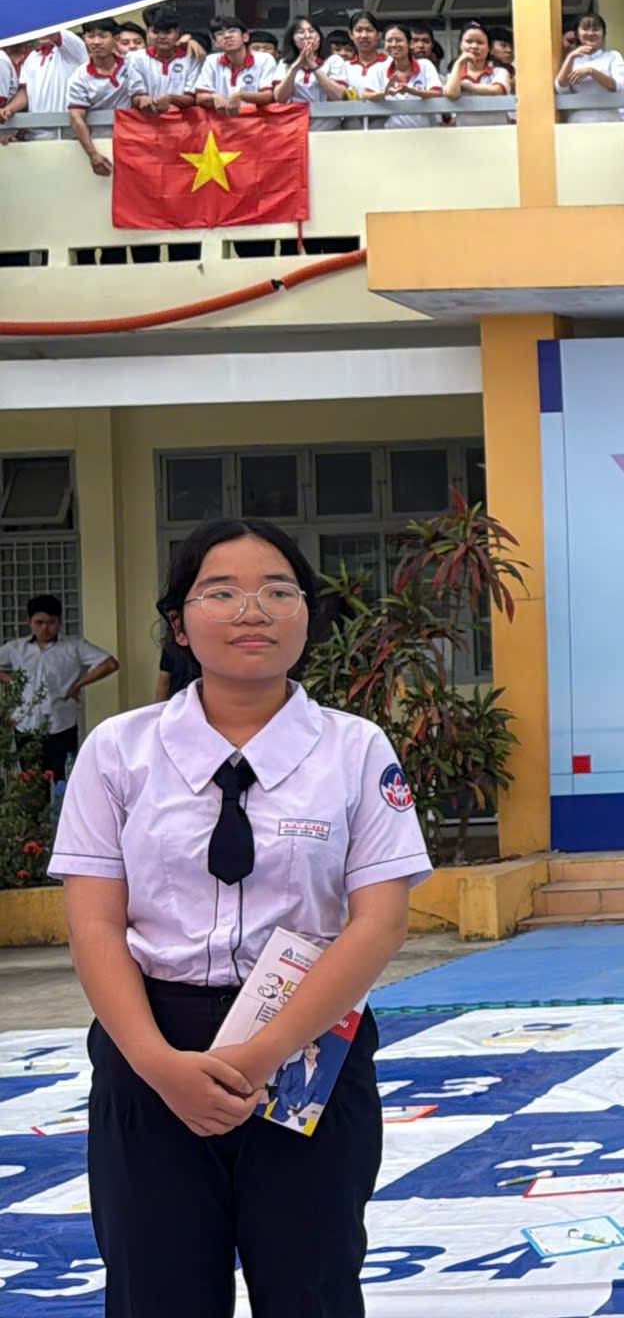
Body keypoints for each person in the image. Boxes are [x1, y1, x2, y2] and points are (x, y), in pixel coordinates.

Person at [48, 515, 428, 1316]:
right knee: (157, 1291)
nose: (252, 611)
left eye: (278, 591)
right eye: (221, 592)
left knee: (311, 1288)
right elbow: (94, 925)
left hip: (308, 1044)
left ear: (307, 617)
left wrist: (261, 1055)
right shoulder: (117, 751)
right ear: (179, 623)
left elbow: (379, 923)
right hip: (150, 1043)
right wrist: (157, 1064)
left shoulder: (357, 750)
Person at [0, 595, 117, 782]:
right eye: (39, 623)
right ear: (29, 622)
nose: (45, 628)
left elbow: (110, 664)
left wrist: (78, 684)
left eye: (51, 622)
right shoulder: (16, 648)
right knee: (32, 783)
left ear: (59, 622)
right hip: (26, 725)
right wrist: (11, 682)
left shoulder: (74, 646)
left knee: (65, 780)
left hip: (62, 725)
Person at [63, 18, 142, 178]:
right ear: (84, 39)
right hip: (101, 143)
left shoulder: (134, 65)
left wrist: (191, 41)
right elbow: (76, 117)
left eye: (103, 36)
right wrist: (93, 155)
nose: (96, 42)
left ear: (116, 39)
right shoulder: (79, 77)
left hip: (135, 142)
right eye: (91, 36)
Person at [186, 18, 283, 113]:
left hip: (257, 120)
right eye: (220, 34)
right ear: (216, 43)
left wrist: (240, 96)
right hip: (222, 120)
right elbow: (200, 98)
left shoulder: (265, 59)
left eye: (232, 31)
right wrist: (214, 97)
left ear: (245, 37)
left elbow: (268, 96)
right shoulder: (211, 60)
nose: (227, 36)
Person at [555, 11, 624, 123]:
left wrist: (591, 72)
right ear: (577, 34)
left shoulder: (613, 56)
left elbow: (620, 87)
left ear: (603, 33)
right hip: (578, 122)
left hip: (609, 121)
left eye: (596, 29)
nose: (590, 33)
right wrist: (570, 57)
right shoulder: (572, 59)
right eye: (585, 29)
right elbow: (561, 88)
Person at [363, 25, 440, 130]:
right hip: (392, 133)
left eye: (398, 40)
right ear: (385, 45)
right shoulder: (377, 69)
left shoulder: (425, 65)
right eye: (389, 41)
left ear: (409, 44)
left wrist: (411, 91)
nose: (394, 44)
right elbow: (367, 95)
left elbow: (437, 93)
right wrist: (384, 93)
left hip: (426, 131)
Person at [128, 6, 203, 113]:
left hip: (181, 120)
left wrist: (171, 98)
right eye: (156, 32)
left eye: (168, 32)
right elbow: (135, 96)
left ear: (177, 32)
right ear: (148, 32)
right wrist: (141, 99)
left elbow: (192, 98)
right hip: (147, 119)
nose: (162, 37)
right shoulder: (136, 58)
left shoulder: (191, 58)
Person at [440, 20, 512, 127]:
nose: (474, 46)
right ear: (461, 45)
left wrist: (466, 85)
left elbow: (497, 90)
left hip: (497, 133)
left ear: (489, 49)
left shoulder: (500, 71)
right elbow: (451, 94)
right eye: (469, 41)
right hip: (465, 134)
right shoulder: (454, 76)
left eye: (480, 42)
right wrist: (459, 63)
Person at [275, 17, 332, 112]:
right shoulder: (284, 63)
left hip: (326, 116)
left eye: (311, 31)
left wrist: (312, 64)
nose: (308, 36)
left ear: (319, 37)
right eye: (301, 32)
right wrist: (294, 68)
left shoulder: (332, 60)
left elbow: (338, 95)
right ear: (292, 39)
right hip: (295, 117)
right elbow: (280, 98)